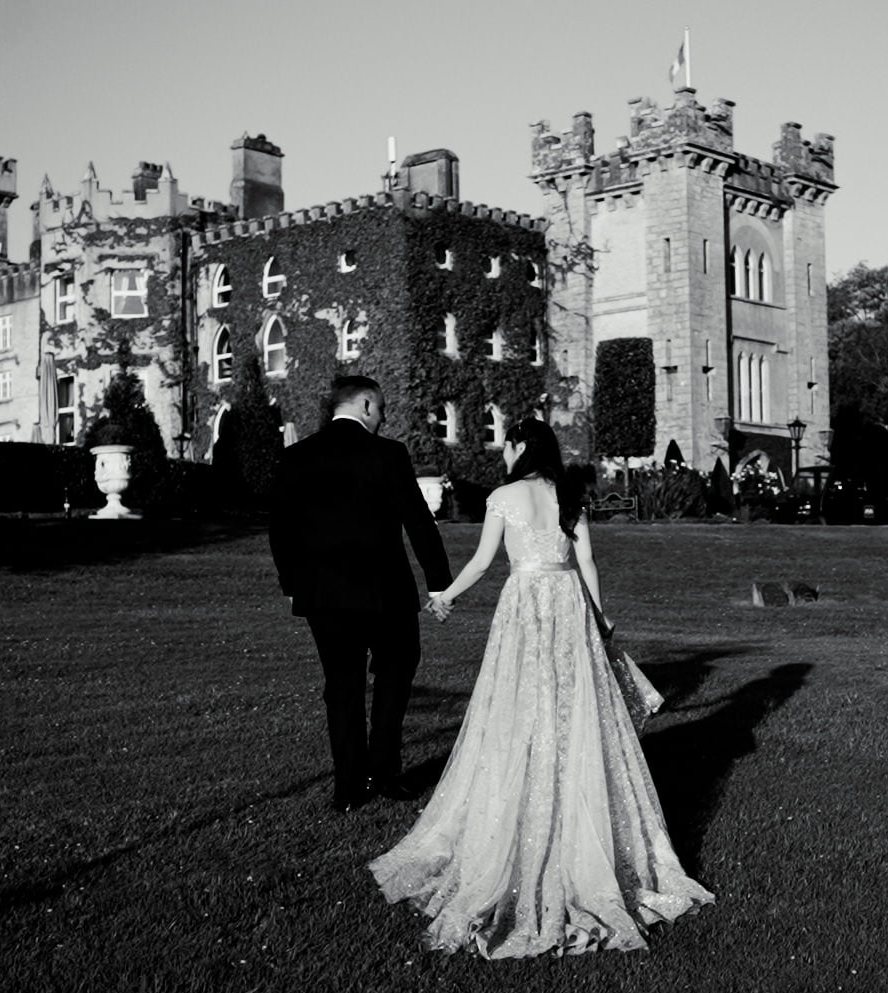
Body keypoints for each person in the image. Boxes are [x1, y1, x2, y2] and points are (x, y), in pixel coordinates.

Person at [369, 419, 713, 958]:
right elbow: (587, 561)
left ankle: (525, 801)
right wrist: (600, 620)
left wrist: (445, 596)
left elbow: (484, 561)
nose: (503, 453)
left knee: (519, 705)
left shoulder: (505, 495)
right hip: (568, 601)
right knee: (573, 709)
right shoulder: (568, 495)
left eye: (506, 444)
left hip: (527, 605)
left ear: (521, 446)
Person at [270, 375, 452, 814]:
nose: (384, 417)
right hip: (385, 591)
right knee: (396, 673)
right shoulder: (388, 454)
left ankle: (349, 786)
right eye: (383, 409)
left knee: (342, 686)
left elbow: (280, 530)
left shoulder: (296, 457)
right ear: (367, 405)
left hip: (324, 597)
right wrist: (439, 582)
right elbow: (418, 520)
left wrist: (293, 585)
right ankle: (385, 772)